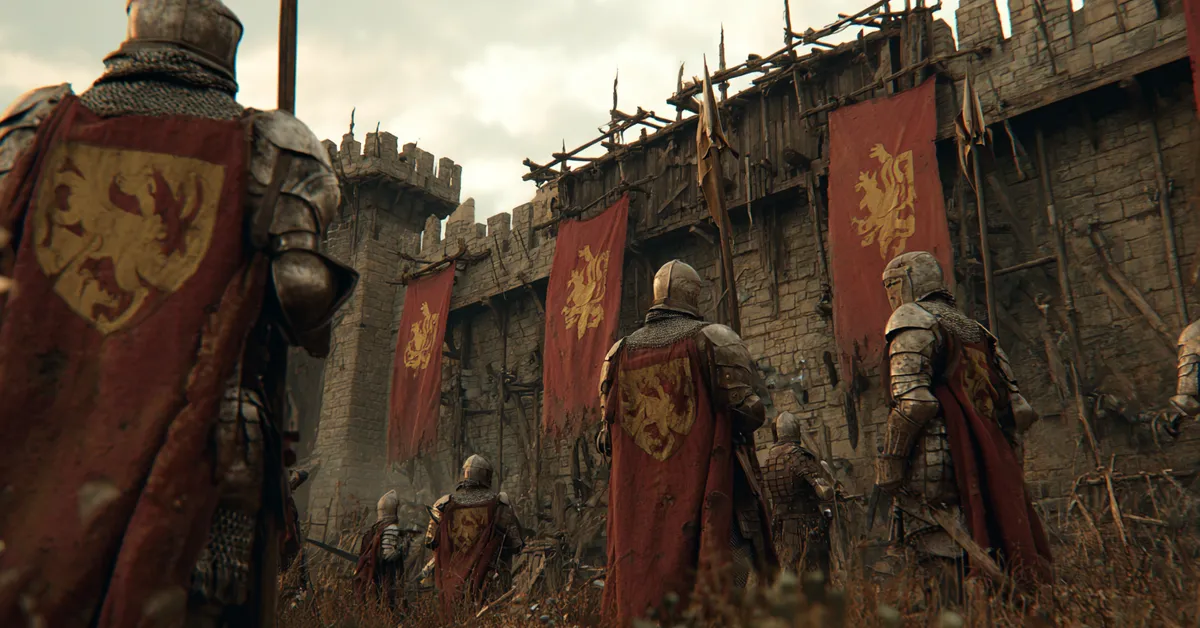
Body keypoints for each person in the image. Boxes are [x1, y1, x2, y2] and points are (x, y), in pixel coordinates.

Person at [0, 2, 356, 626]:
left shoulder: (39, 122)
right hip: (195, 421)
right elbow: (300, 290)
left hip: (44, 399)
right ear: (224, 47)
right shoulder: (268, 144)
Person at [596, 260, 777, 626]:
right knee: (726, 574)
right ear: (693, 295)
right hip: (707, 489)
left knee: (642, 585)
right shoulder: (714, 338)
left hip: (640, 506)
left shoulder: (617, 354)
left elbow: (606, 440)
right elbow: (750, 413)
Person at [870, 251, 1051, 600]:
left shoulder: (912, 319)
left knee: (937, 557)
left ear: (907, 282)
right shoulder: (976, 330)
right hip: (990, 458)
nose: (891, 296)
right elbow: (1020, 410)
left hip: (938, 458)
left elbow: (914, 402)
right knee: (992, 539)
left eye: (892, 286)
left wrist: (891, 461)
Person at [425, 454, 524, 617]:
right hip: (488, 578)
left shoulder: (443, 504)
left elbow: (430, 541)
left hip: (452, 579)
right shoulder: (499, 502)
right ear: (487, 476)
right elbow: (516, 543)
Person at [763, 412, 835, 576]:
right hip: (805, 523)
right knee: (814, 571)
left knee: (788, 569)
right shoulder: (799, 457)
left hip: (780, 525)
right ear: (796, 430)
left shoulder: (769, 459)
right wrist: (831, 486)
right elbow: (824, 492)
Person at [353, 491, 406, 610]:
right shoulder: (391, 530)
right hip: (385, 578)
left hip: (374, 579)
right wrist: (402, 548)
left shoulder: (372, 531)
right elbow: (389, 557)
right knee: (387, 606)